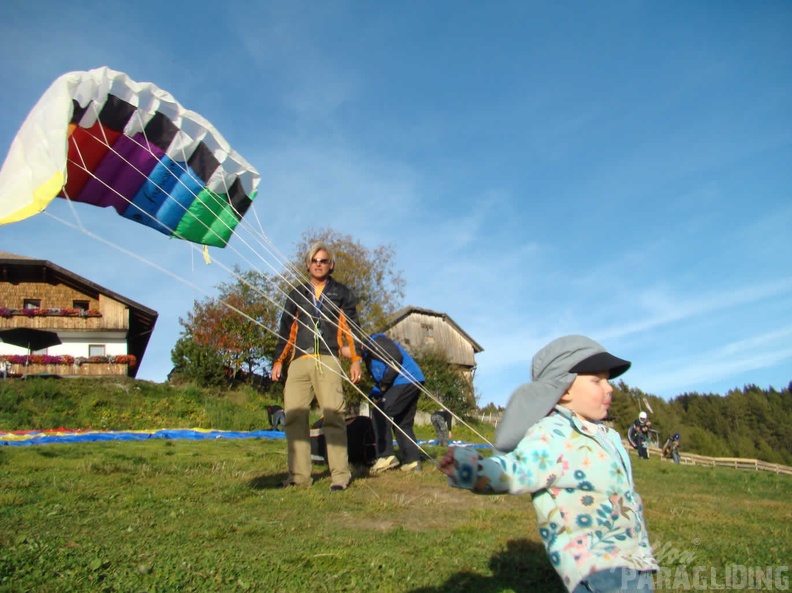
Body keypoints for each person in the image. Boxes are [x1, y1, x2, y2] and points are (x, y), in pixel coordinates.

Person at [439, 335, 658, 593]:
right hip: (597, 562)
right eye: (596, 380)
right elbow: (514, 470)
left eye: (608, 379)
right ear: (563, 388)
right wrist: (471, 469)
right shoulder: (552, 435)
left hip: (632, 554)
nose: (609, 387)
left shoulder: (605, 435)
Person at [271, 241, 363, 491]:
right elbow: (286, 329)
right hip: (299, 361)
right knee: (294, 417)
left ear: (331, 265)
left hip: (329, 359)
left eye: (323, 261)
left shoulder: (342, 293)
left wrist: (356, 359)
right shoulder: (297, 293)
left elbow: (351, 328)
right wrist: (279, 360)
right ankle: (299, 477)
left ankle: (340, 476)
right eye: (315, 260)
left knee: (333, 415)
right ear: (308, 264)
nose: (319, 264)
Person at [362, 333, 425, 473]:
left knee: (379, 412)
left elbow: (395, 358)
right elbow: (383, 376)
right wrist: (376, 391)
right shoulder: (368, 356)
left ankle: (386, 456)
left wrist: (384, 385)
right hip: (413, 380)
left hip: (405, 379)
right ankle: (412, 461)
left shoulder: (375, 342)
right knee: (402, 422)